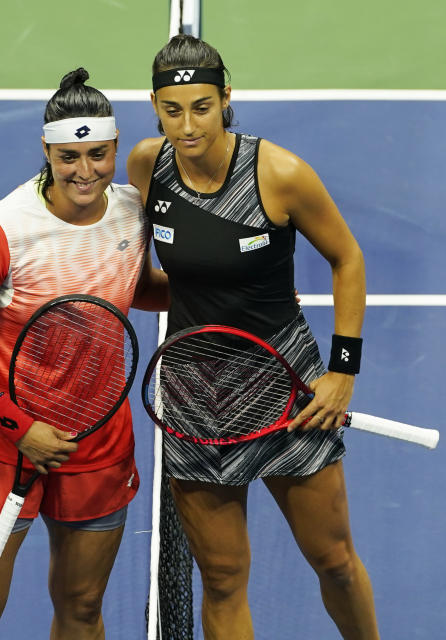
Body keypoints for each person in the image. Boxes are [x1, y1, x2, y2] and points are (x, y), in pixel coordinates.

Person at [127, 35, 379, 639]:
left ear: (227, 98)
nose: (188, 125)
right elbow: (151, 282)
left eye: (203, 107)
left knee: (335, 561)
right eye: (172, 109)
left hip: (284, 384)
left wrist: (342, 372)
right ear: (155, 106)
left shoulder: (280, 174)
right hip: (196, 391)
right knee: (222, 577)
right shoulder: (146, 166)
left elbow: (347, 259)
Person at [0, 68, 168, 640]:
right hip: (2, 444)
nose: (84, 172)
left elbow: (131, 289)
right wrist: (19, 426)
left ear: (114, 148)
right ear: (47, 150)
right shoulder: (0, 233)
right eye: (68, 157)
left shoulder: (132, 212)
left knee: (82, 608)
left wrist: (231, 295)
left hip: (97, 442)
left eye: (98, 155)